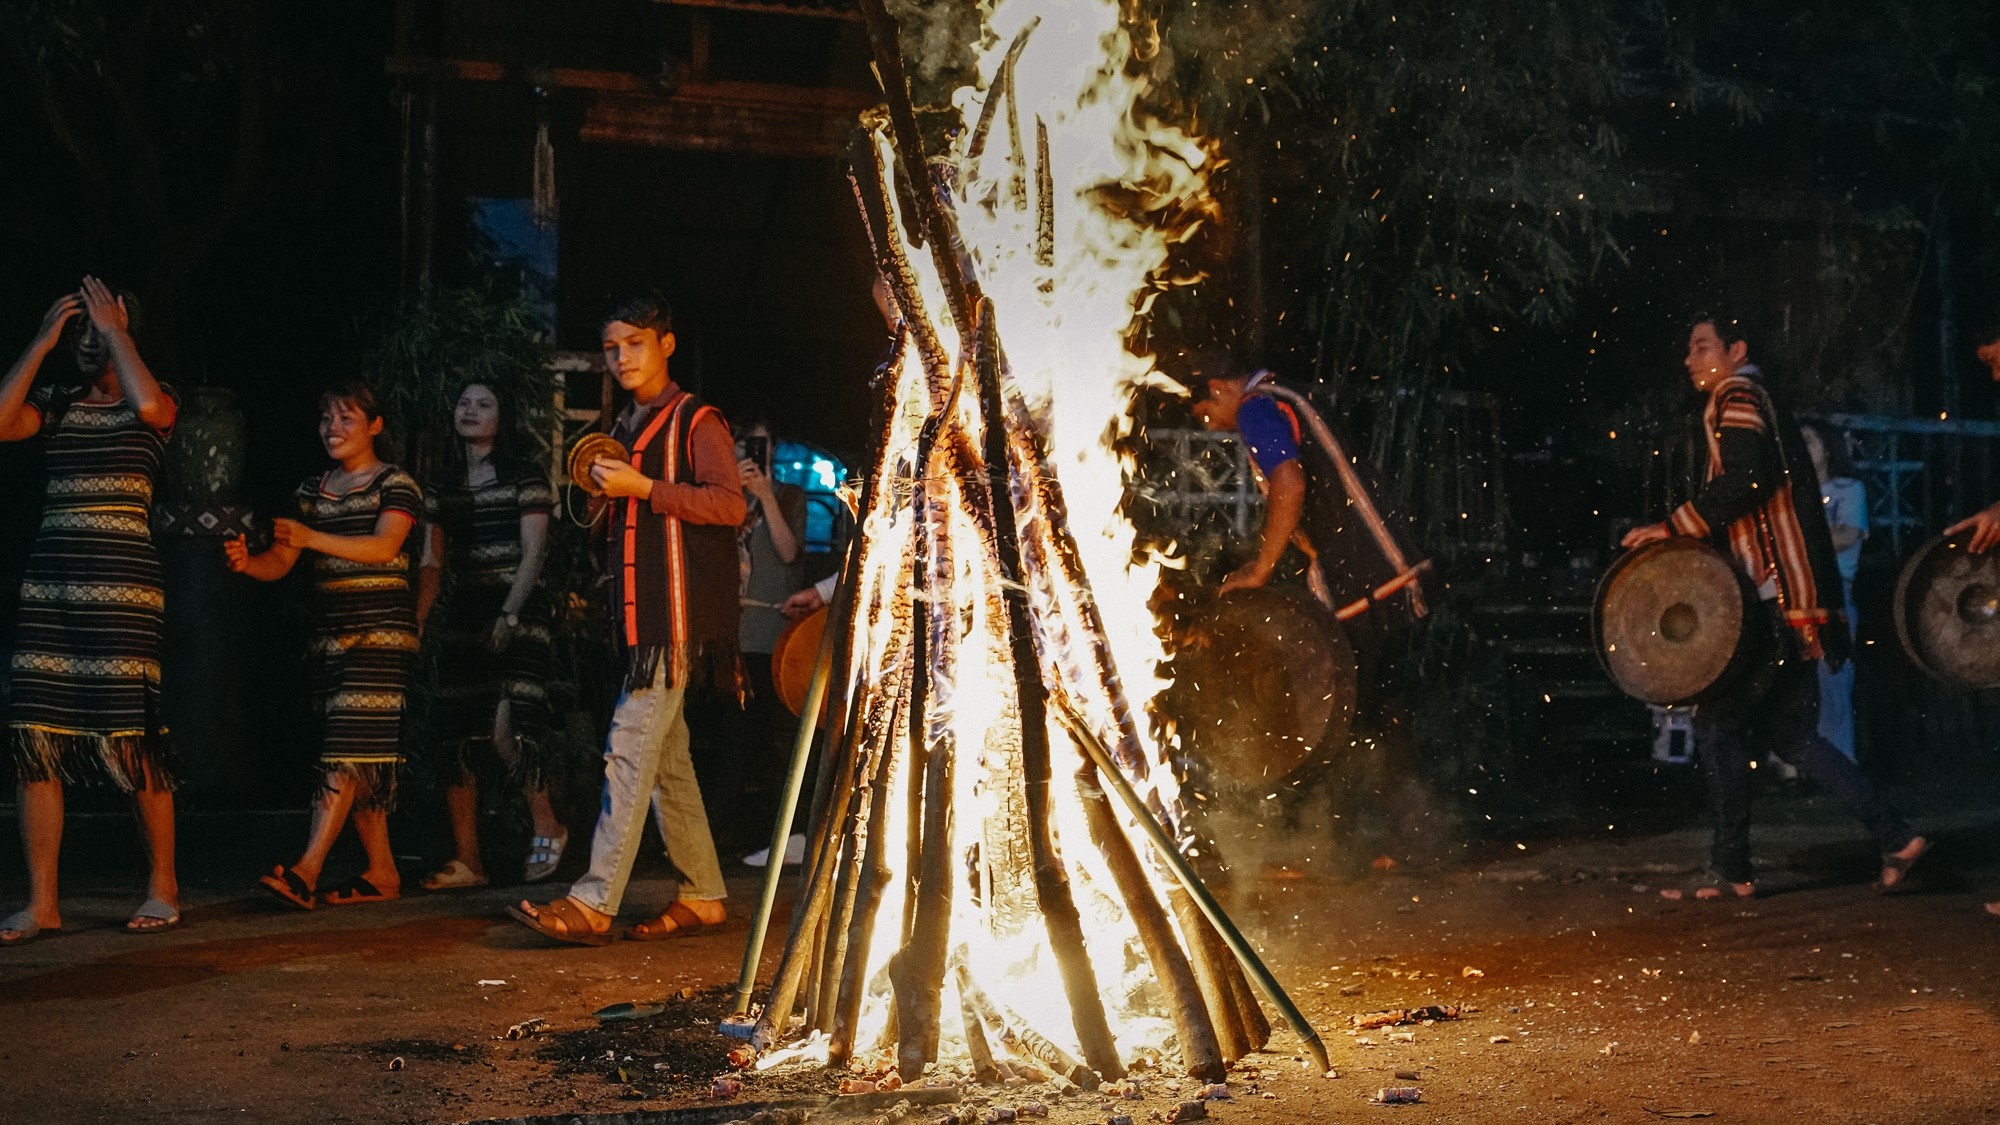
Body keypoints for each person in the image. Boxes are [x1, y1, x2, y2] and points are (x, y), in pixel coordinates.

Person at [1620, 313, 1926, 900]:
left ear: (1736, 350)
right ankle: (1894, 837)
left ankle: (1733, 870)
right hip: (1791, 599)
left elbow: (1744, 481)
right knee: (1791, 737)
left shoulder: (1736, 394)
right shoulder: (1754, 396)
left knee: (1717, 727)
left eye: (1702, 347)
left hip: (1770, 599)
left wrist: (1672, 528)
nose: (1690, 360)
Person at [510, 289, 744, 944]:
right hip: (642, 621)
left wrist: (642, 487)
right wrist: (603, 491)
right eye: (611, 347)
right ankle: (703, 893)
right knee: (667, 761)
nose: (620, 357)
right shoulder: (625, 427)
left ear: (666, 344)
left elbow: (729, 506)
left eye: (634, 343)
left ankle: (594, 901)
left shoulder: (696, 420)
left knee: (626, 748)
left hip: (676, 620)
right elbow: (612, 521)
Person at [0, 279, 181, 945]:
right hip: (51, 589)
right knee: (37, 741)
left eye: (98, 329)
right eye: (82, 330)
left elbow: (151, 400)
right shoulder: (56, 404)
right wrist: (42, 338)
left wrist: (117, 328)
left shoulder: (151, 403)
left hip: (123, 589)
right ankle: (43, 900)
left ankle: (163, 884)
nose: (88, 339)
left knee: (131, 739)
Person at [225, 382, 422, 910]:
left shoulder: (396, 483)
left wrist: (311, 538)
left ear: (375, 425)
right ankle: (381, 872)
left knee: (345, 751)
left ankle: (306, 871)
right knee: (360, 758)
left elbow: (384, 547)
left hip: (381, 636)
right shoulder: (313, 490)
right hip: (332, 640)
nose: (332, 429)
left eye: (347, 419)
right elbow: (281, 564)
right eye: (326, 420)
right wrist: (249, 564)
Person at [416, 381, 567, 890]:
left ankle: (548, 823)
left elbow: (535, 552)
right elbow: (432, 559)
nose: (470, 411)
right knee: (456, 734)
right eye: (463, 402)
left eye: (484, 404)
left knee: (510, 727)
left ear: (504, 418)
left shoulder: (525, 474)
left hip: (519, 607)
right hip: (465, 610)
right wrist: (417, 620)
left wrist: (509, 614)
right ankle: (469, 860)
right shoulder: (441, 484)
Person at [728, 418, 808, 866]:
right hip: (730, 629)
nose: (754, 453)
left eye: (762, 445)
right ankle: (742, 833)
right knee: (736, 731)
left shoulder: (791, 496)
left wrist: (765, 499)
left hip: (773, 631)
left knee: (768, 732)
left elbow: (789, 552)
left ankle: (783, 833)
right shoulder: (722, 495)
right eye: (746, 445)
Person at [1800, 421, 1866, 762]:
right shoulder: (1795, 493)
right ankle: (1797, 768)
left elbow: (1849, 534)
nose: (1802, 447)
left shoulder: (1848, 489)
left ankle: (1839, 761)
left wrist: (1802, 540)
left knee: (1833, 679)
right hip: (1799, 592)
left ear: (1826, 448)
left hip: (1834, 591)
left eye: (1809, 440)